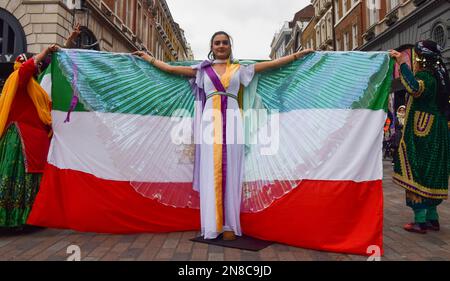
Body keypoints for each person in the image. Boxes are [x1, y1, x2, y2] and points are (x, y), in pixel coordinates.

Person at [133, 31, 313, 240]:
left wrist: (297, 56)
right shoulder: (202, 71)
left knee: (232, 171)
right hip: (210, 122)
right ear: (212, 46)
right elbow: (171, 69)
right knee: (211, 170)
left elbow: (271, 65)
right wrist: (149, 58)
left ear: (230, 46)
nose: (221, 46)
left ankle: (229, 224)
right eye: (217, 43)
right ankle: (212, 224)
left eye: (224, 43)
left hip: (233, 121)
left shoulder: (240, 70)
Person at [389, 40, 450, 234]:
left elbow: (414, 88)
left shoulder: (426, 76)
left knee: (418, 169)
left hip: (423, 131)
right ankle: (432, 218)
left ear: (421, 59)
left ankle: (420, 220)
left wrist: (402, 64)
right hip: (437, 129)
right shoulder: (439, 76)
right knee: (431, 172)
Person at [0, 44, 59, 228]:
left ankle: (30, 218)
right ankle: (14, 218)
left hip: (35, 142)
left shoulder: (36, 87)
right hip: (20, 142)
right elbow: (27, 69)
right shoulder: (19, 79)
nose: (39, 67)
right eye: (37, 64)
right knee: (19, 177)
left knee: (32, 180)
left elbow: (55, 64)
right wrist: (45, 52)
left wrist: (64, 46)